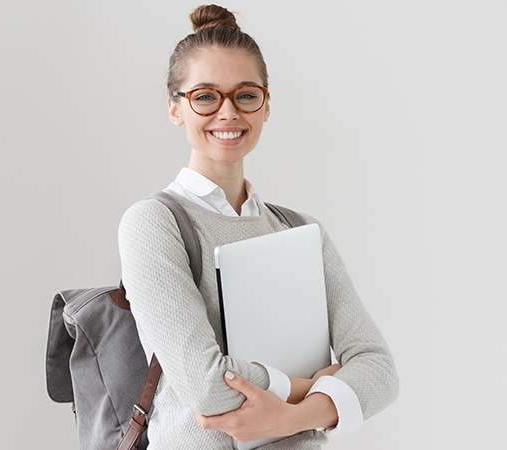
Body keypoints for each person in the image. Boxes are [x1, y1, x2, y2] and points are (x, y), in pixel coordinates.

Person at [117, 4, 398, 449]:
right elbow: (207, 386)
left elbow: (379, 370)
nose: (228, 113)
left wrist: (291, 418)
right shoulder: (153, 223)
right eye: (205, 96)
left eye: (245, 95)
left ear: (265, 106)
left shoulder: (300, 230)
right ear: (175, 109)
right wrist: (313, 386)